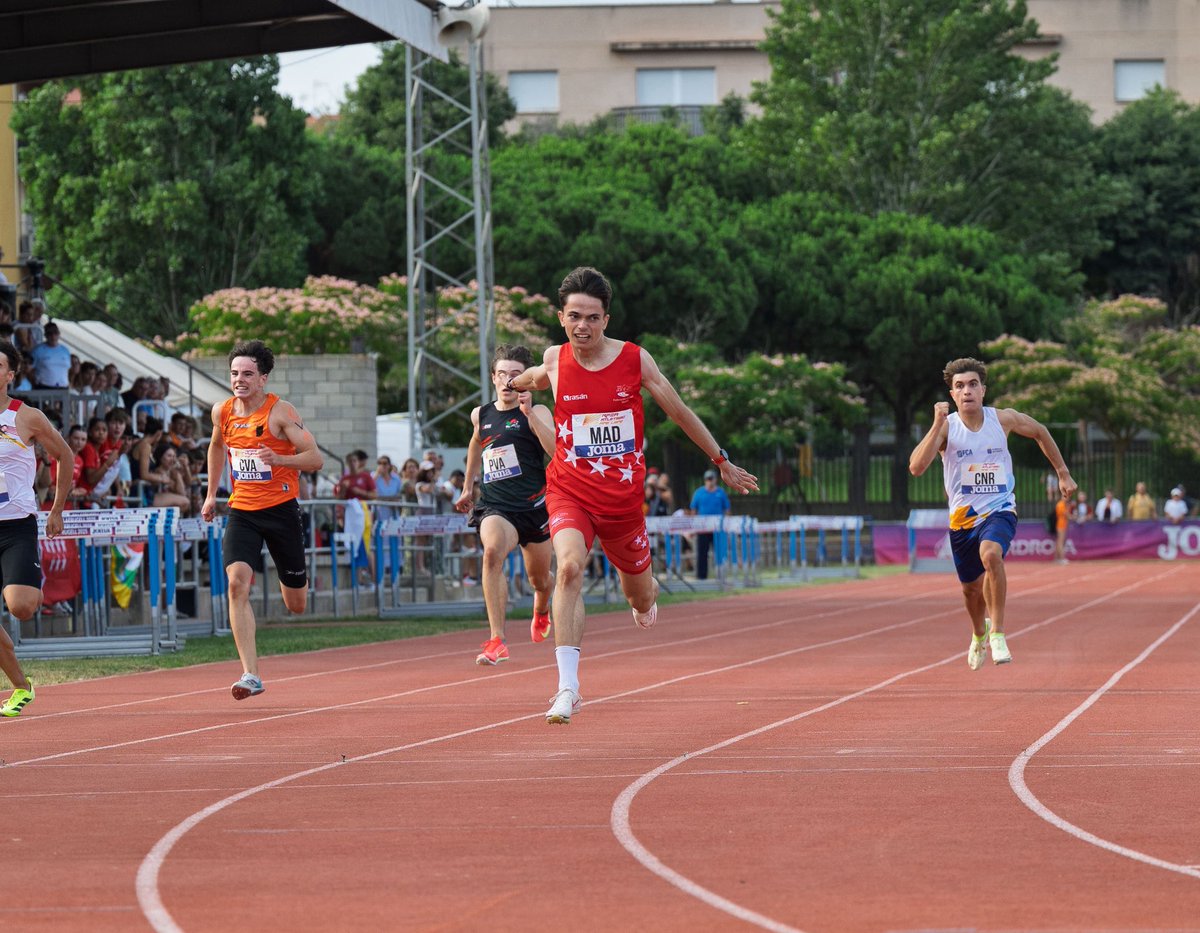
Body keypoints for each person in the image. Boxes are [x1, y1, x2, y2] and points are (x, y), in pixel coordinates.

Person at [509, 267, 758, 724]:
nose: (582, 326)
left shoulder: (634, 361)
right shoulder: (555, 359)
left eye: (592, 317)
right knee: (567, 568)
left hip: (623, 504)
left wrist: (721, 460)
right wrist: (514, 385)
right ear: (561, 318)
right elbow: (537, 375)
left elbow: (680, 412)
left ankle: (646, 598)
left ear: (607, 319)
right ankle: (568, 687)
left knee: (639, 597)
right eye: (574, 317)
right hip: (569, 491)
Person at [909, 357, 1076, 670]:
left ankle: (998, 632)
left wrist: (1063, 472)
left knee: (991, 555)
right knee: (971, 591)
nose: (967, 391)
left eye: (973, 384)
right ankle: (978, 631)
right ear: (953, 395)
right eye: (960, 386)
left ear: (983, 390)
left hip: (1000, 510)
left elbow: (1040, 431)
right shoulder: (947, 429)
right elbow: (916, 467)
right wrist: (936, 424)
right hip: (962, 520)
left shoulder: (1003, 419)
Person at [201, 340, 323, 700]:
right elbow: (217, 447)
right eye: (235, 373)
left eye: (247, 374)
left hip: (282, 511)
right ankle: (250, 674)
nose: (239, 380)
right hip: (242, 512)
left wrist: (280, 460)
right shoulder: (221, 412)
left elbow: (315, 459)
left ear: (263, 378)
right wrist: (211, 494)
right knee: (237, 582)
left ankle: (297, 581)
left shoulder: (280, 413)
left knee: (296, 605)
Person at [454, 344, 555, 666]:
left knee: (539, 578)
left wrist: (528, 416)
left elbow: (556, 451)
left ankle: (541, 605)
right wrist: (468, 486)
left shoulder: (538, 412)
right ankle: (497, 639)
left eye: (515, 375)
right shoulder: (480, 414)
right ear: (493, 378)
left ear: (526, 379)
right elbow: (475, 443)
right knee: (492, 553)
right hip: (497, 506)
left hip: (535, 508)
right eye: (502, 374)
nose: (508, 381)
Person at [0, 340, 74, 717]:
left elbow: (64, 455)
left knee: (21, 607)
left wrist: (56, 510)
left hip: (16, 527)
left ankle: (28, 584)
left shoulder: (26, 417)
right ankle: (20, 687)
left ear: (10, 374)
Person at [689, 468, 731, 580]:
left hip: (717, 528)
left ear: (715, 480)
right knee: (702, 553)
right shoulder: (699, 493)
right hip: (703, 528)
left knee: (720, 552)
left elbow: (727, 509)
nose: (709, 481)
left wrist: (726, 525)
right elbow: (693, 510)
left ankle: (721, 575)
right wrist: (694, 526)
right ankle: (701, 576)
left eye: (711, 478)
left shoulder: (720, 493)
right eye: (707, 479)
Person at [1053, 494, 1070, 565]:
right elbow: (1066, 514)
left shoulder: (1064, 504)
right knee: (1061, 542)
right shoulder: (1061, 504)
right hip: (1061, 524)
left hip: (1062, 524)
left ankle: (1057, 558)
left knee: (1059, 541)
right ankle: (1062, 558)